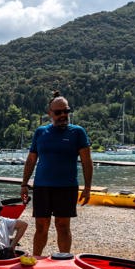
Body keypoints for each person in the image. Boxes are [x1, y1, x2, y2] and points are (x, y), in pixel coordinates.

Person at [21, 91, 93, 256]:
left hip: (66, 187)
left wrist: (87, 187)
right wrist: (24, 184)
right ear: (50, 113)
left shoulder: (78, 132)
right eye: (58, 112)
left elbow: (87, 162)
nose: (63, 115)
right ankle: (37, 259)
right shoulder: (40, 132)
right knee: (41, 226)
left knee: (62, 226)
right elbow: (31, 160)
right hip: (42, 186)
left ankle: (64, 261)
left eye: (66, 111)